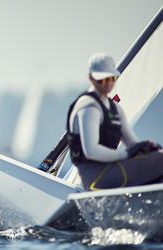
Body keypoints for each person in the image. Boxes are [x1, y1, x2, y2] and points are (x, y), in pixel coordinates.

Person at [40, 52, 163, 190]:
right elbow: (91, 151)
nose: (107, 83)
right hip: (92, 178)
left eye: (111, 78)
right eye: (102, 79)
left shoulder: (116, 110)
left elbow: (131, 143)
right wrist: (126, 154)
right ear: (91, 79)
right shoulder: (87, 107)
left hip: (110, 172)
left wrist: (145, 148)